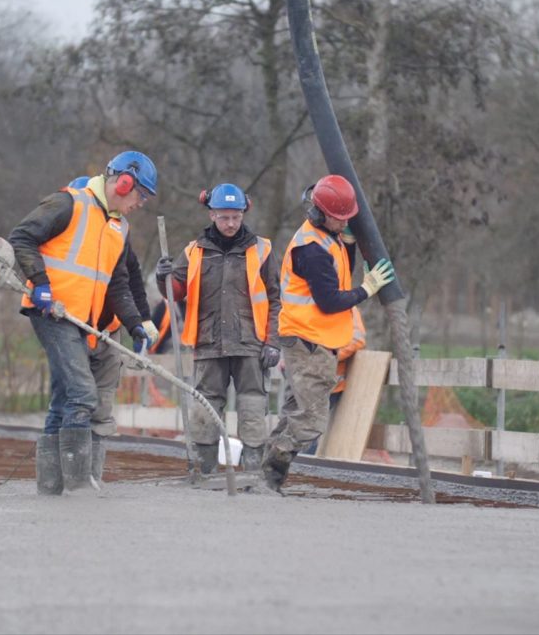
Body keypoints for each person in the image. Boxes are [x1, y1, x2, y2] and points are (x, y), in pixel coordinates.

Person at [9, 151, 160, 495]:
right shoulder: (69, 203)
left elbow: (118, 284)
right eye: (142, 195)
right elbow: (21, 237)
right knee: (82, 392)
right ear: (125, 183)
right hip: (52, 313)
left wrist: (136, 324)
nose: (141, 203)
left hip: (83, 321)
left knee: (65, 398)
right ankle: (77, 487)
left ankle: (51, 486)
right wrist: (41, 284)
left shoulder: (119, 226)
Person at [263, 175, 395, 492]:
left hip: (313, 341)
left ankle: (261, 472)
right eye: (342, 218)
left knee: (296, 414)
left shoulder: (326, 237)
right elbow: (331, 299)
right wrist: (367, 289)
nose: (346, 222)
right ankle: (268, 474)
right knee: (311, 421)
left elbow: (338, 273)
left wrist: (348, 243)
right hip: (308, 342)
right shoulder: (311, 249)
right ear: (323, 213)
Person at [155, 183, 281, 474]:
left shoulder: (262, 250)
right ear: (212, 215)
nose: (231, 223)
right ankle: (204, 470)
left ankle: (252, 472)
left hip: (251, 343)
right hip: (208, 342)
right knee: (205, 408)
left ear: (243, 213)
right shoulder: (194, 252)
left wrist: (273, 341)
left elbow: (276, 300)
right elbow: (175, 291)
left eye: (236, 216)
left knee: (252, 406)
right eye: (224, 217)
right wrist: (163, 278)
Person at [65, 175, 156, 484]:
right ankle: (70, 476)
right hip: (71, 330)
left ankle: (92, 478)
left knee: (102, 407)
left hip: (108, 330)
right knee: (74, 402)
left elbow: (130, 278)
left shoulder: (117, 232)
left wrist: (142, 321)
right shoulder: (64, 235)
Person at [300, 305, 366, 456]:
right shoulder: (306, 301)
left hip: (328, 382)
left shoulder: (348, 307)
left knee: (309, 427)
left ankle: (303, 469)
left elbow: (357, 339)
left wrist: (329, 358)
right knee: (296, 425)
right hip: (302, 377)